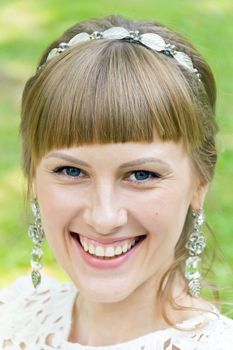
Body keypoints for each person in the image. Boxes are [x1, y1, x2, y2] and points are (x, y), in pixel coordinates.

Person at [0, 14, 232, 350]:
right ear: (33, 176)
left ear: (200, 183)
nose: (104, 218)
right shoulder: (11, 318)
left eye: (141, 175)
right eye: (71, 171)